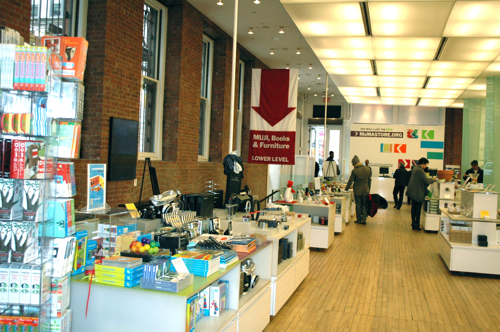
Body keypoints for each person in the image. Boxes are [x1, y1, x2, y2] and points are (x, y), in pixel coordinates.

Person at [407, 158, 435, 230]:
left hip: (413, 192)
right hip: (418, 193)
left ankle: (414, 223)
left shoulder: (415, 169)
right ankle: (417, 225)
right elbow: (426, 181)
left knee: (414, 208)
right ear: (423, 163)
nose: (426, 166)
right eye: (426, 164)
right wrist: (433, 179)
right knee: (418, 209)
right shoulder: (420, 170)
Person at [345, 155, 371, 224]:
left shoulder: (354, 171)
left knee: (358, 205)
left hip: (357, 191)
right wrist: (369, 189)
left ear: (354, 163)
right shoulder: (367, 169)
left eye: (353, 164)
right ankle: (364, 219)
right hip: (366, 191)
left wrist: (346, 189)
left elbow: (350, 181)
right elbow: (369, 181)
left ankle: (359, 219)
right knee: (364, 205)